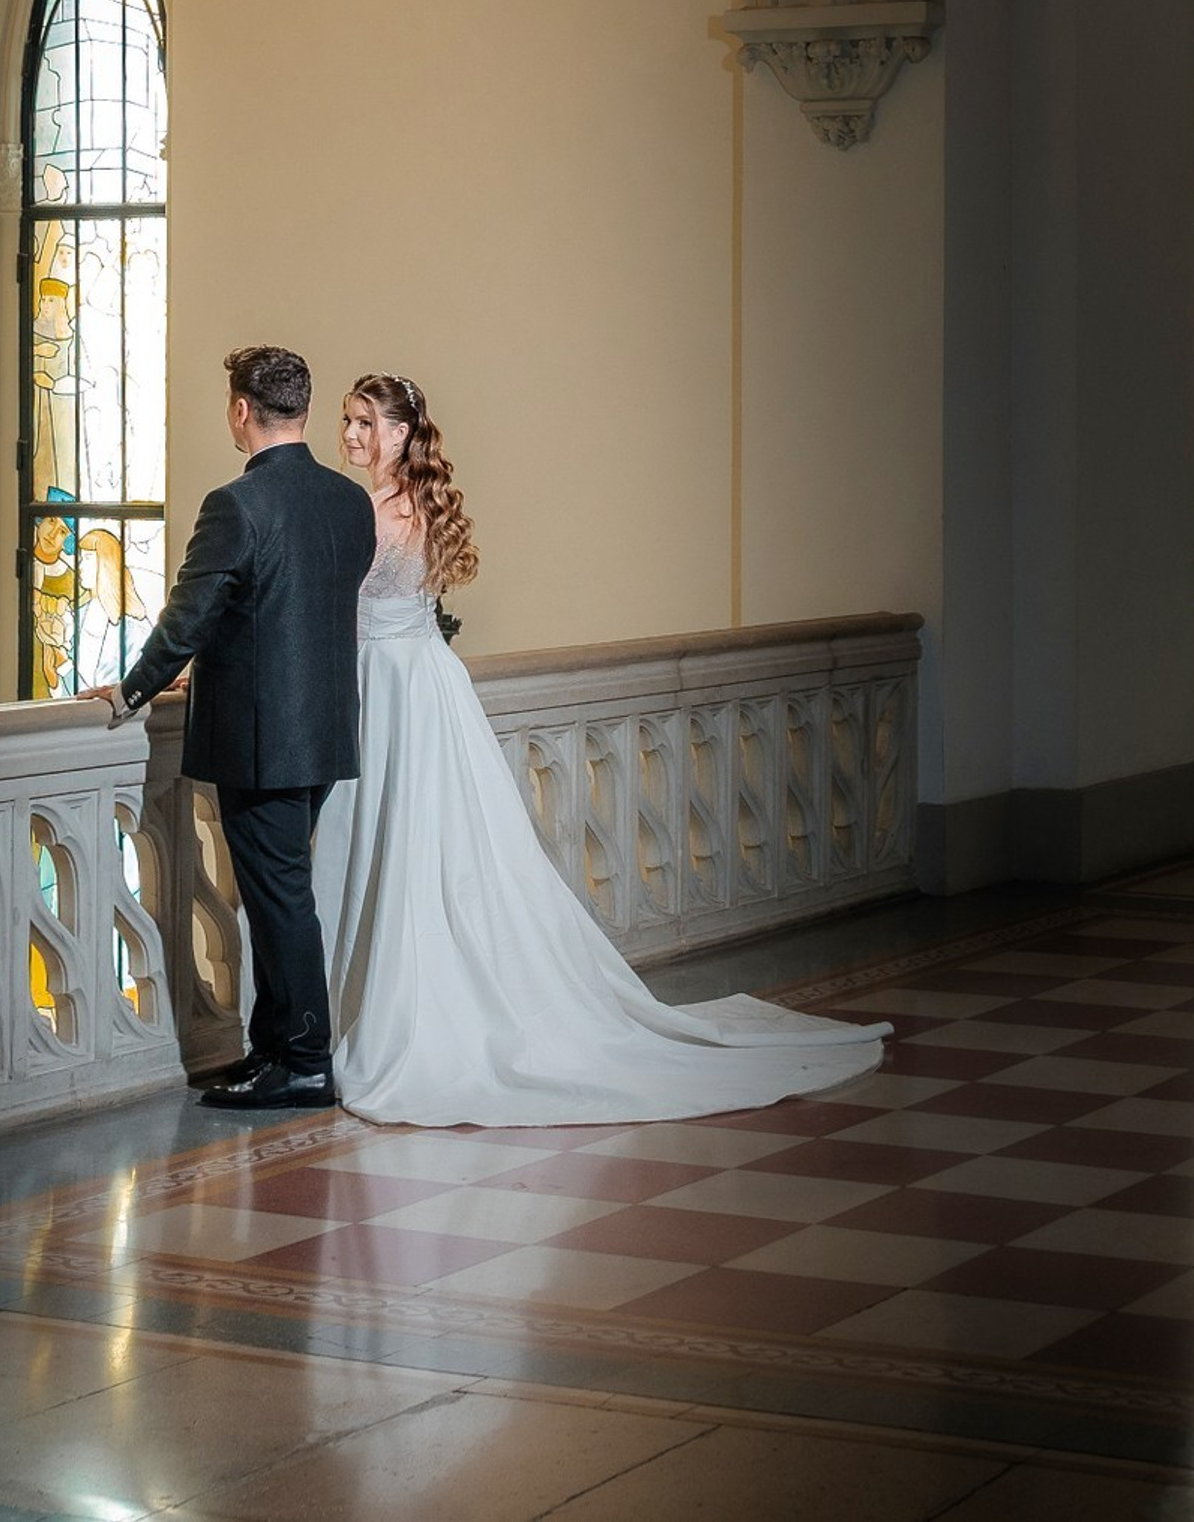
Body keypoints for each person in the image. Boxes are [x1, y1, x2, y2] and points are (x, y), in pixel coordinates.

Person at [312, 372, 887, 1126]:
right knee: (417, 848)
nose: (350, 434)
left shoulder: (380, 514)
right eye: (347, 420)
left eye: (362, 422)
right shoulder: (411, 503)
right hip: (417, 683)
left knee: (406, 846)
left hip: (391, 687)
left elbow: (335, 608)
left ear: (397, 432)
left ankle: (387, 1014)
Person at [91, 344, 374, 1110]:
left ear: (241, 410)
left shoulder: (237, 505)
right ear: (305, 412)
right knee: (280, 891)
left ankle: (306, 1057)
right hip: (323, 731)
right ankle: (272, 1051)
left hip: (262, 738)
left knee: (281, 898)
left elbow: (191, 615)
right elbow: (297, 609)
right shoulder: (349, 503)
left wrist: (135, 690)